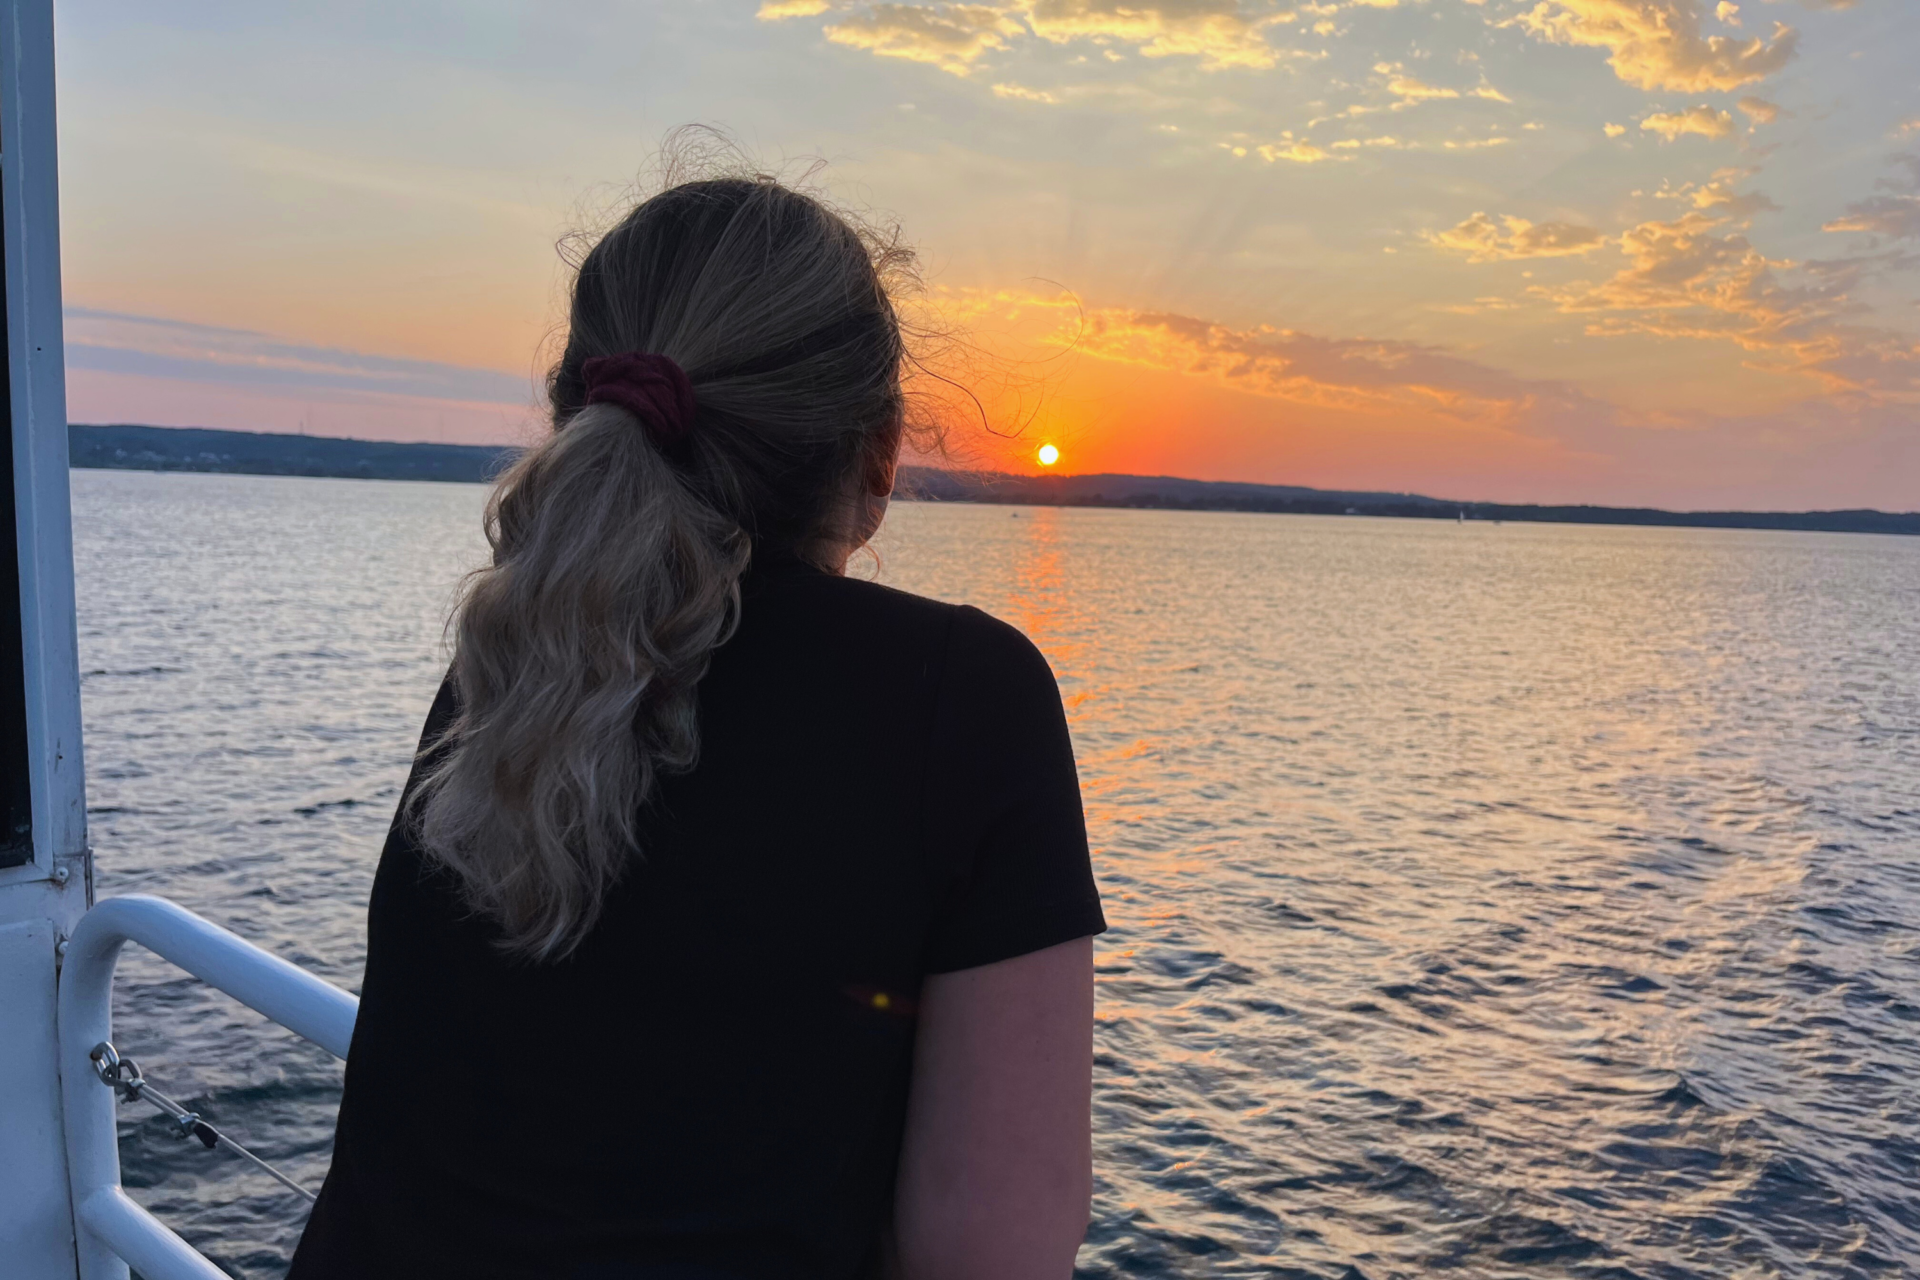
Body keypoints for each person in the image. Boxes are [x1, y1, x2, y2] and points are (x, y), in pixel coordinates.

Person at [288, 171, 1106, 1280]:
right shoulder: (966, 699)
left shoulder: (506, 674)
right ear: (878, 452)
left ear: (575, 413)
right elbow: (989, 1253)